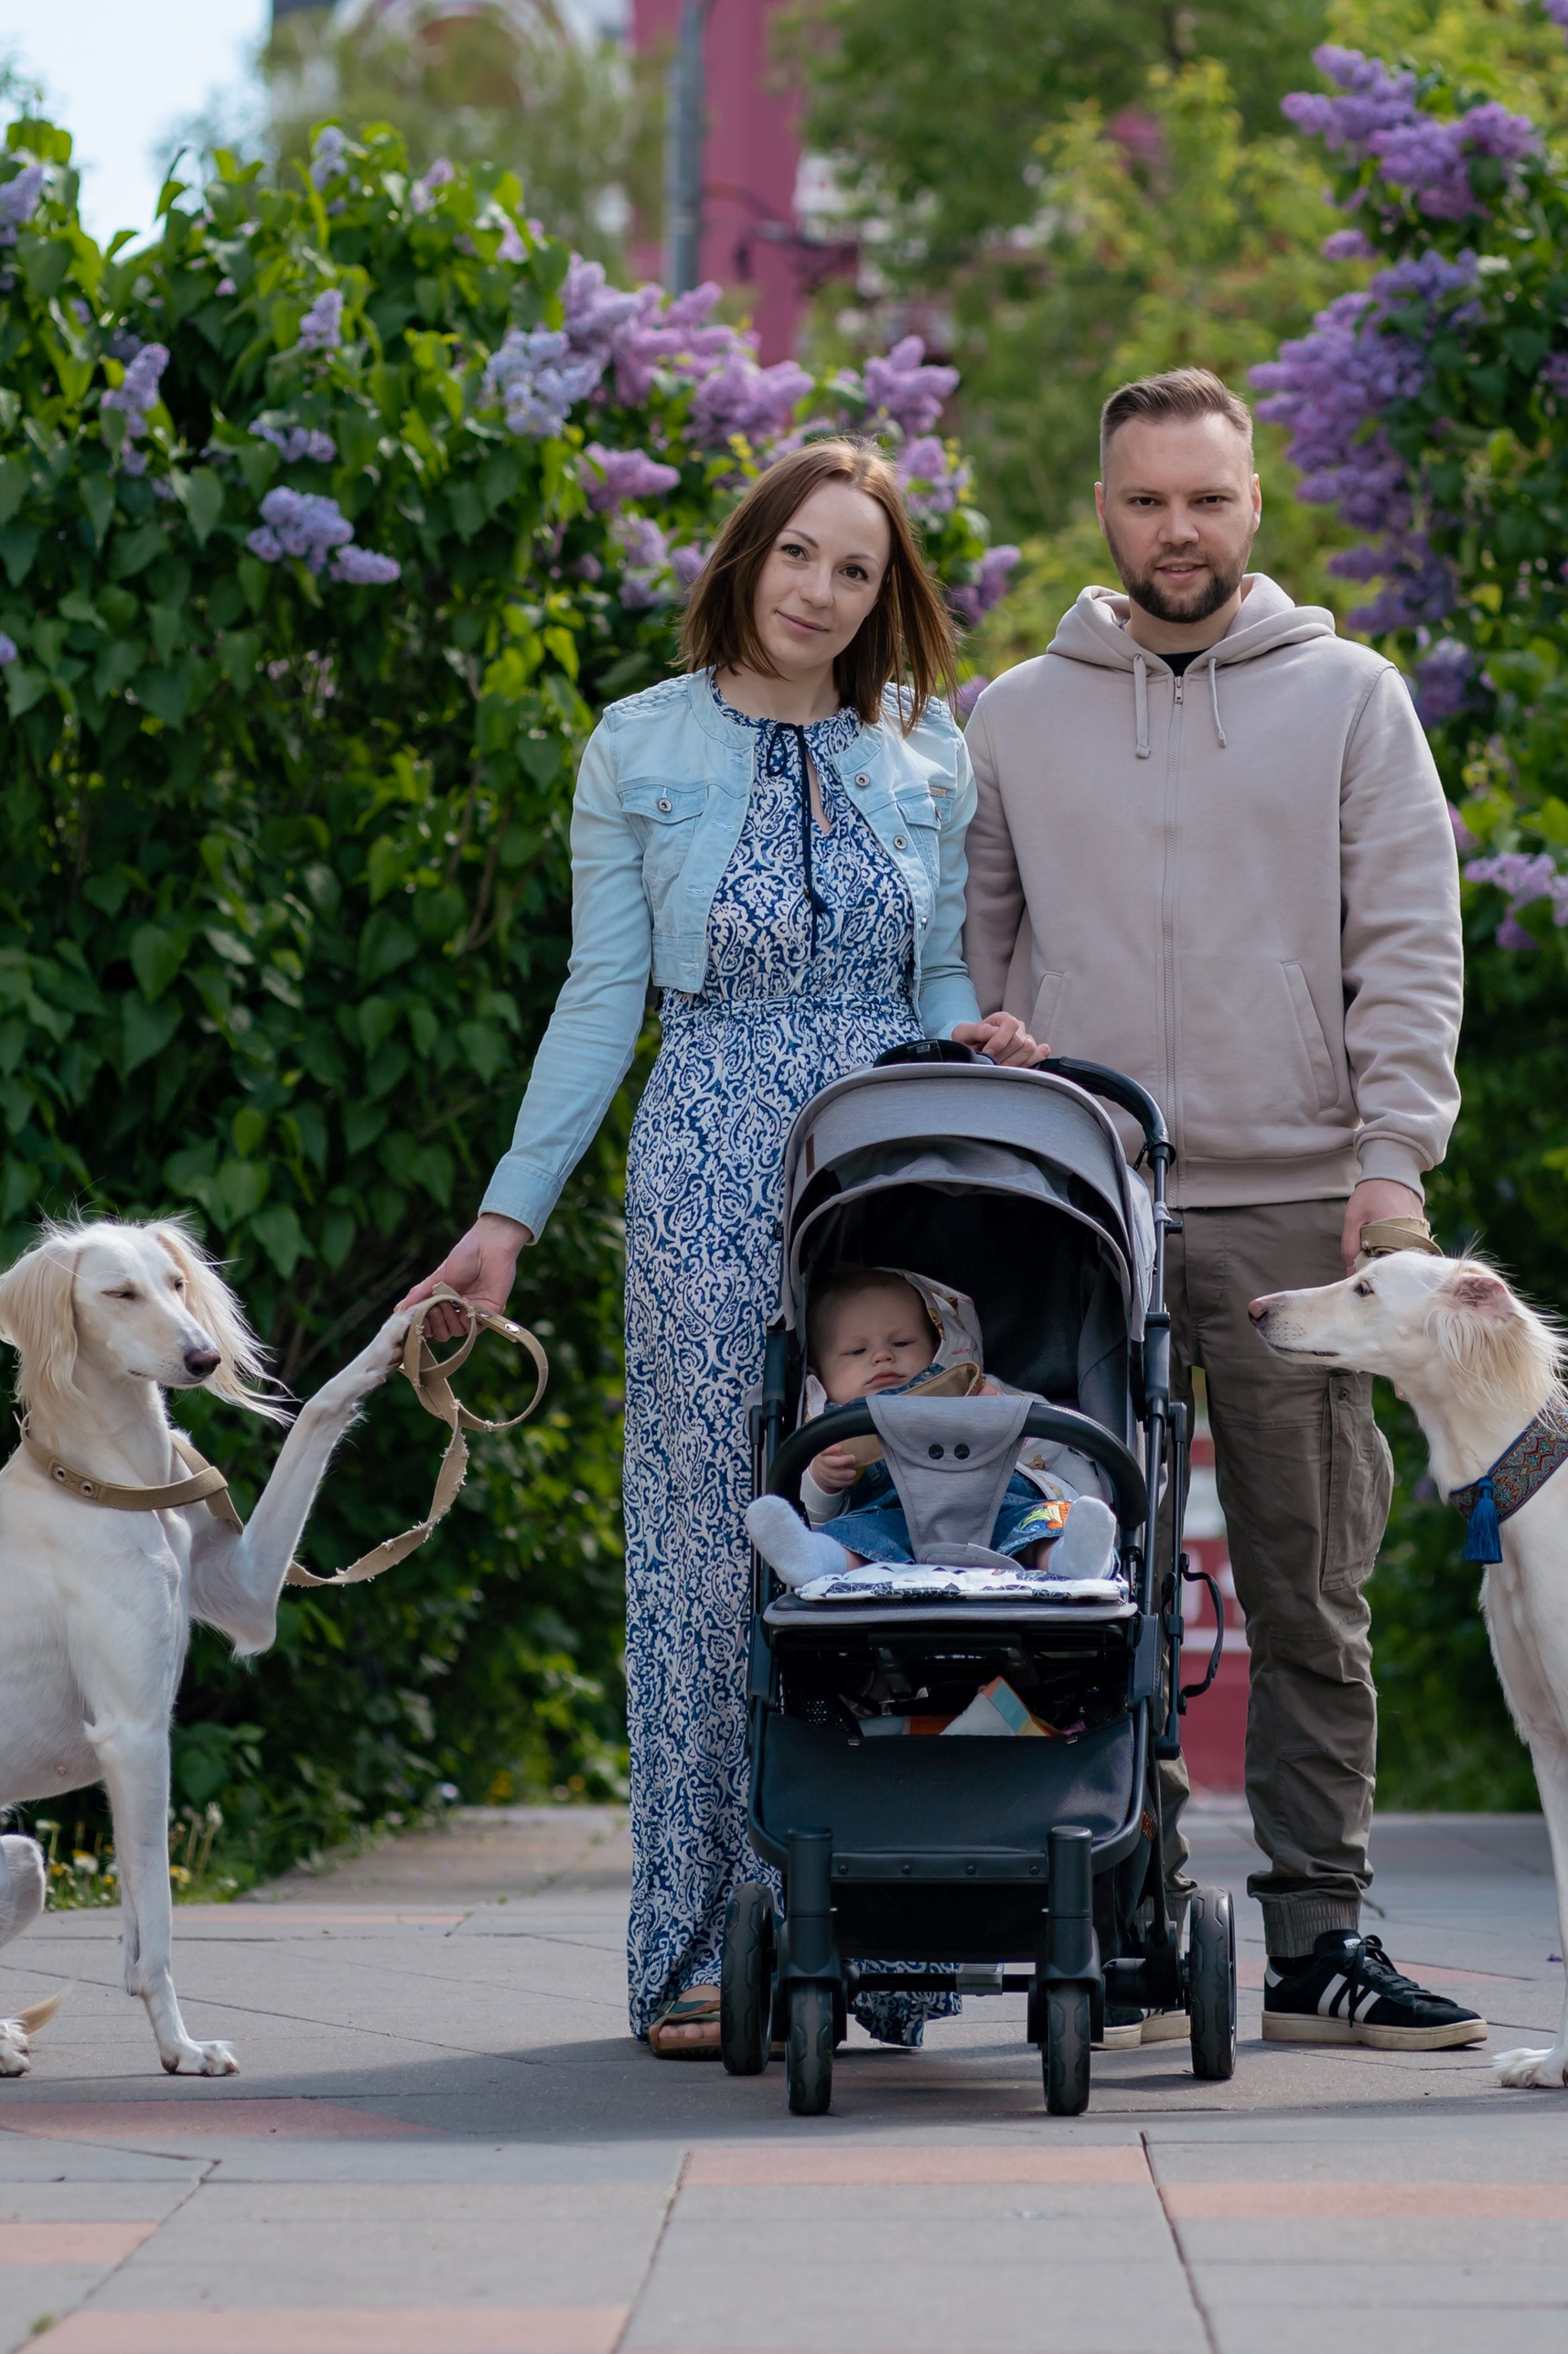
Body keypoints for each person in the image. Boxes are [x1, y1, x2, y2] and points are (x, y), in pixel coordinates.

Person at [402, 438, 1038, 2058]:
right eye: (798, 554)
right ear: (747, 557)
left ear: (885, 596)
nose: (821, 592)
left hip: (885, 1169)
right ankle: (699, 1948)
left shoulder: (927, 746)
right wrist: (506, 1217)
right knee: (703, 1551)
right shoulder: (638, 744)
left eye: (857, 569)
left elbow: (939, 976)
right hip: (704, 1159)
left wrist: (980, 1037)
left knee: (893, 1514)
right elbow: (600, 997)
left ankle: (880, 1932)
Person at [961, 367, 1487, 2052]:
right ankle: (1121, 1924)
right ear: (1102, 512)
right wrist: (995, 1062)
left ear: (1254, 502)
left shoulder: (1352, 698)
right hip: (1083, 1205)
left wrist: (1393, 1158)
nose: (1176, 530)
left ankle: (1323, 1939)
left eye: (1205, 497)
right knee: (1077, 1584)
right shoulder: (1013, 716)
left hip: (1303, 1211)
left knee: (1311, 1584)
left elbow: (1408, 938)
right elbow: (971, 948)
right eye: (1145, 500)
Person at [744, 1264, 1120, 1585]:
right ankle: (814, 1559)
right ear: (820, 1374)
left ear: (936, 1344)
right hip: (893, 1523)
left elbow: (1053, 1444)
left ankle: (1072, 1559)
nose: (882, 1356)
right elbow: (816, 1512)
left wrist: (1007, 1422)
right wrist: (822, 1482)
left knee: (1036, 1522)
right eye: (857, 1351)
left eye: (902, 1343)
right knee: (851, 1534)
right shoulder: (830, 1426)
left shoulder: (972, 1391)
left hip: (996, 1506)